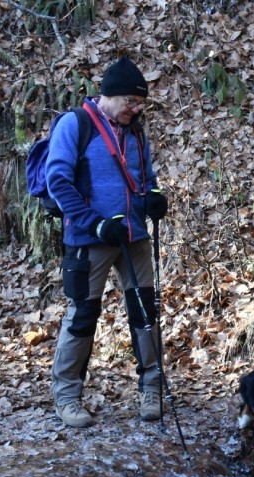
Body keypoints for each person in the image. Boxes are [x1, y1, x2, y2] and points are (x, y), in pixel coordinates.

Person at [46, 56, 169, 428]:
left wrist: (154, 197)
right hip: (89, 238)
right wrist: (95, 225)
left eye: (140, 103)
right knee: (82, 316)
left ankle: (151, 388)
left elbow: (146, 177)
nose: (136, 109)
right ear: (109, 95)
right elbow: (58, 181)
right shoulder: (75, 124)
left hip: (133, 236)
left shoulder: (136, 132)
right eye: (131, 101)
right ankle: (67, 397)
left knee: (145, 311)